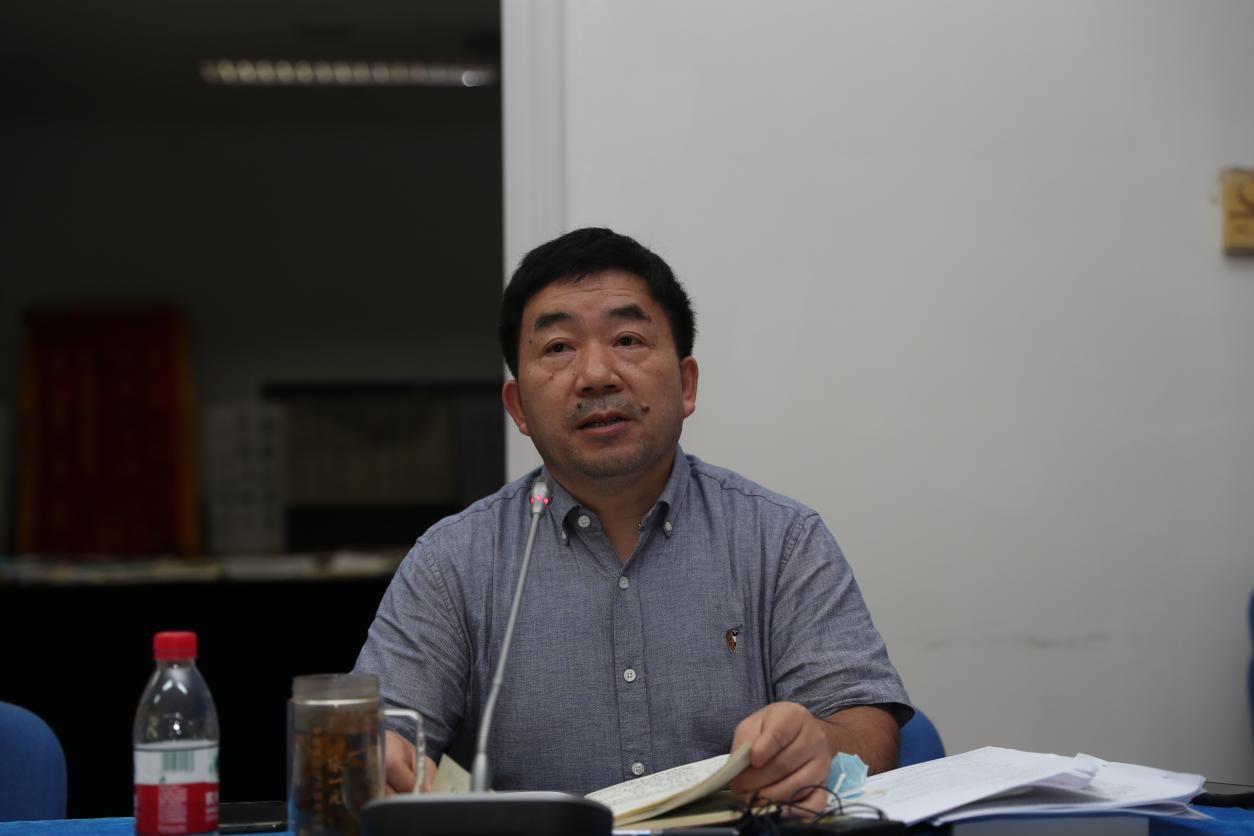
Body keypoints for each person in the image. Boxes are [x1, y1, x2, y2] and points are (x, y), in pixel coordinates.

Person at [354, 228, 911, 812]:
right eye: (559, 348)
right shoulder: (451, 563)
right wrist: (380, 760)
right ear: (518, 408)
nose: (596, 374)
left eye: (627, 339)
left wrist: (821, 744)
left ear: (686, 384)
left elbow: (867, 727)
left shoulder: (782, 539)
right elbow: (383, 735)